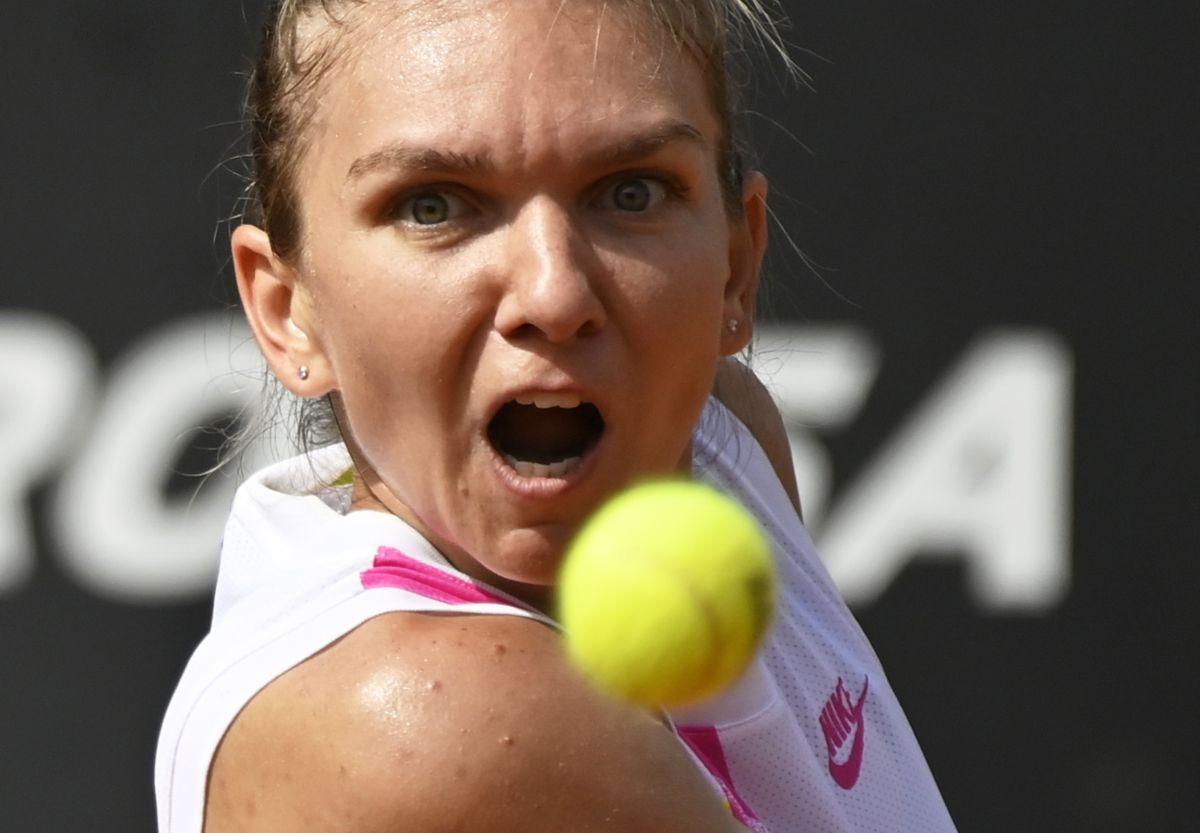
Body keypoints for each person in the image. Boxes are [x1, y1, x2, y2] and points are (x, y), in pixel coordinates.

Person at [156, 1, 958, 830]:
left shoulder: (728, 442)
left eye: (631, 192)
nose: (554, 293)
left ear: (735, 266)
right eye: (434, 206)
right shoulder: (440, 721)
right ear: (288, 310)